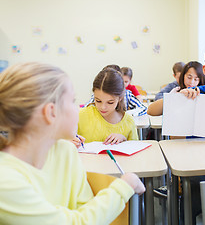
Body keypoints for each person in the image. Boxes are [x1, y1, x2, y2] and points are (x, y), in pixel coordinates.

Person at [0, 62, 145, 224]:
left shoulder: (65, 150)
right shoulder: (5, 180)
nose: (78, 108)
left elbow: (86, 206)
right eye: (72, 101)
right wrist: (124, 187)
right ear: (51, 112)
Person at [78, 67, 138, 145]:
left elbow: (135, 150)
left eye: (110, 102)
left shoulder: (128, 122)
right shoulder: (80, 115)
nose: (103, 107)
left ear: (120, 98)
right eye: (98, 101)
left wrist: (124, 140)